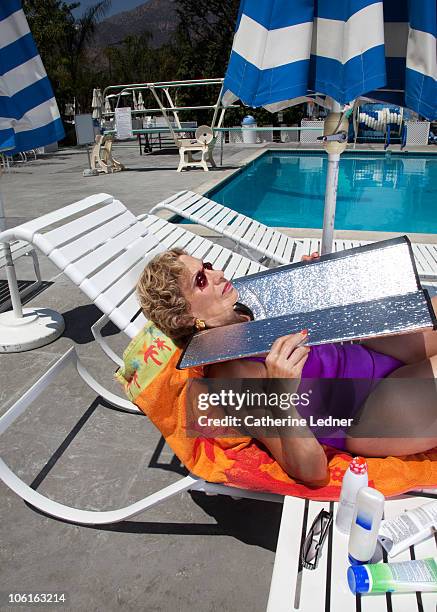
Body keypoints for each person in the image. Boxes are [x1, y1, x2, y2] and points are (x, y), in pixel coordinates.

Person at [136, 248, 437, 485]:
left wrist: (314, 282)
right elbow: (311, 471)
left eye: (209, 265)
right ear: (188, 318)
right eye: (201, 280)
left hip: (367, 355)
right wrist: (280, 395)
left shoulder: (245, 310)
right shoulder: (231, 376)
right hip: (367, 411)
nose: (217, 274)